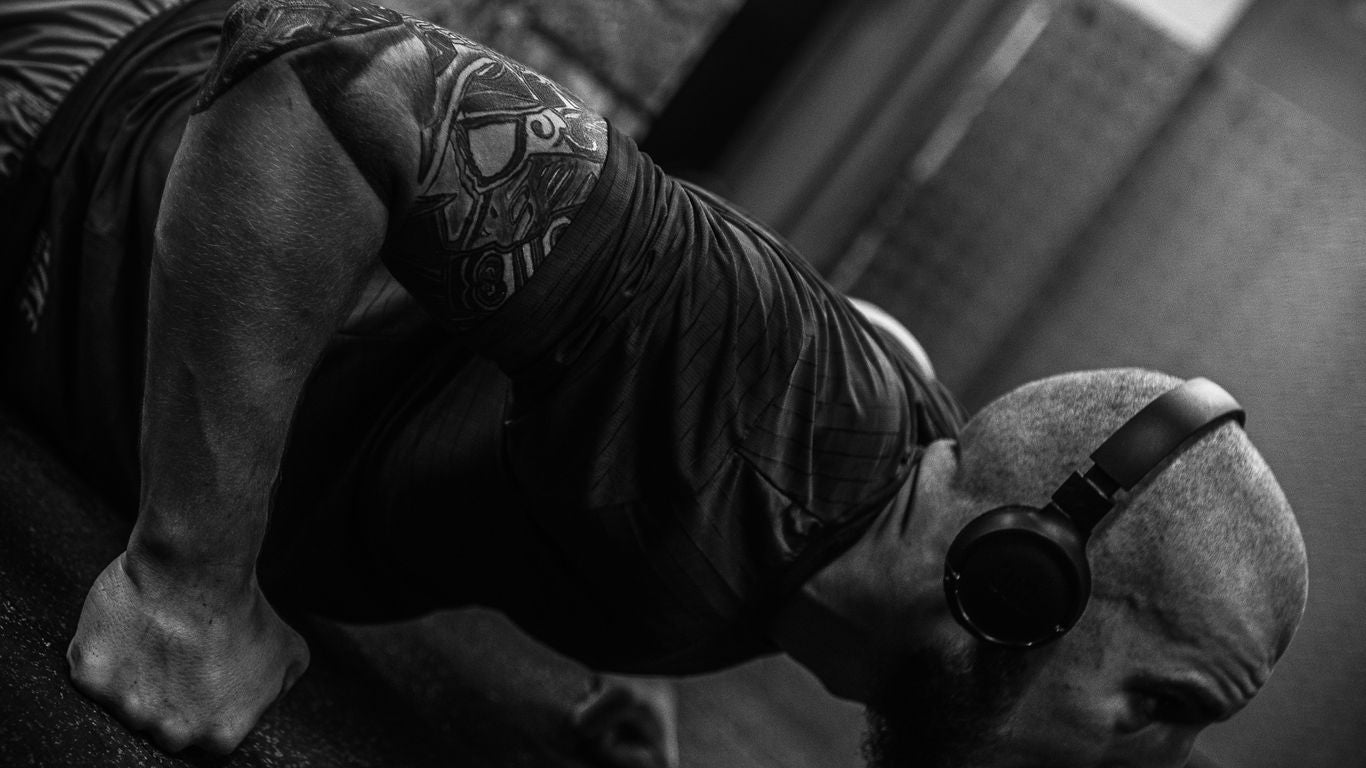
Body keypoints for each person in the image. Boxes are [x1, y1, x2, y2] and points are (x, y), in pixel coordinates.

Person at [0, 1, 1308, 767]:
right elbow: (335, 90)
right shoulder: (749, 411)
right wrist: (189, 575)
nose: (1158, 761)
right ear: (1017, 578)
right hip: (47, 140)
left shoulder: (871, 447)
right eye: (1160, 709)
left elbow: (821, 336)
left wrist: (640, 613)